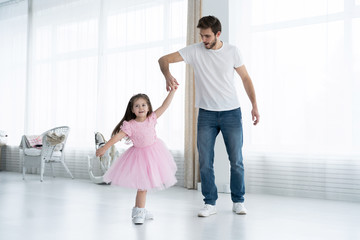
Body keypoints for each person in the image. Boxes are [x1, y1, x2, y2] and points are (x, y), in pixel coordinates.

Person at [158, 15, 259, 217]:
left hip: (231, 112)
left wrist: (254, 105)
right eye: (201, 36)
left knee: (236, 160)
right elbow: (163, 60)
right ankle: (210, 202)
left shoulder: (233, 51)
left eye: (207, 36)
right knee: (205, 161)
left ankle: (238, 201)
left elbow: (246, 78)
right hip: (206, 114)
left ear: (217, 34)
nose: (203, 40)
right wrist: (167, 75)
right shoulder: (194, 51)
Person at [96, 89, 178, 224]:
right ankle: (139, 212)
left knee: (144, 187)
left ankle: (140, 210)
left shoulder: (151, 118)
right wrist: (104, 147)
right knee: (142, 187)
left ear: (148, 107)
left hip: (154, 155)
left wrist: (172, 92)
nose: (141, 108)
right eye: (137, 106)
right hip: (139, 157)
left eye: (143, 105)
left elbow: (164, 105)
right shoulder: (130, 125)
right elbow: (117, 137)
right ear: (132, 110)